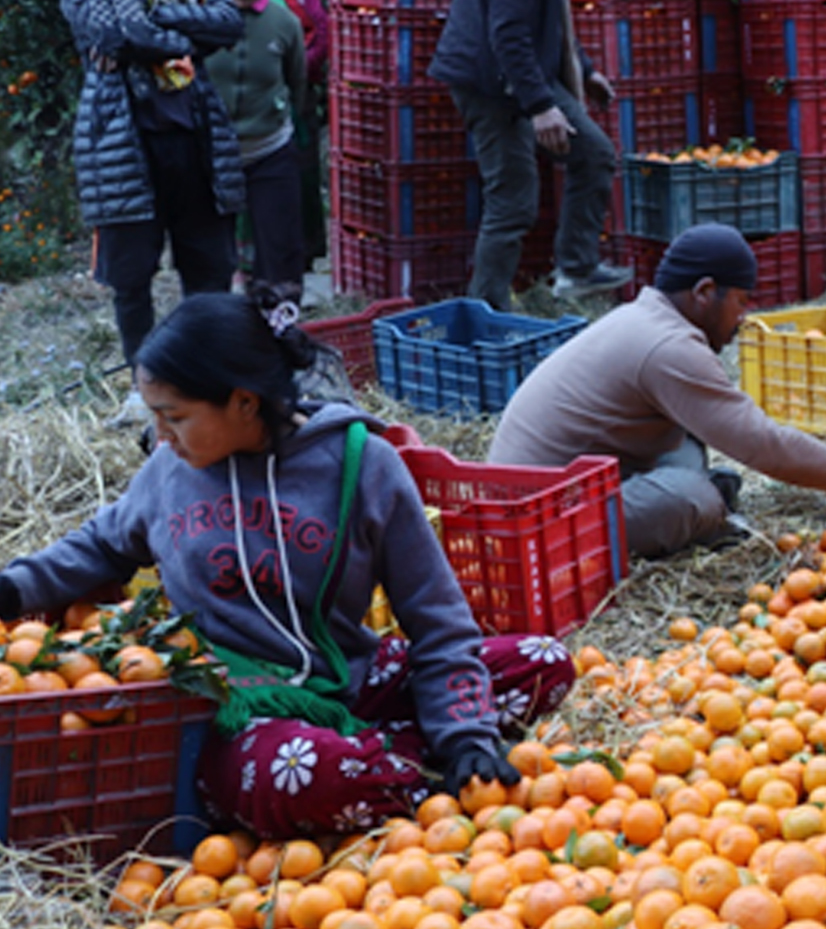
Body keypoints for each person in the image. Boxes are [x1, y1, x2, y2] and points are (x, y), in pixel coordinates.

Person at [0, 293, 576, 838]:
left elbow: (436, 615)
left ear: (244, 401)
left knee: (543, 660)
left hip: (350, 675)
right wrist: (13, 589)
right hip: (232, 708)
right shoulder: (168, 473)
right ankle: (388, 768)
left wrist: (465, 736)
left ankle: (384, 752)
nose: (160, 436)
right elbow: (98, 547)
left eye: (173, 416)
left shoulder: (362, 465)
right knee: (304, 775)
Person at [488, 225, 826, 558]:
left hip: (589, 474)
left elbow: (741, 426)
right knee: (693, 498)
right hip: (543, 515)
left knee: (693, 434)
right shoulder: (667, 347)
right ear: (704, 292)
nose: (744, 318)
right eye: (741, 302)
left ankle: (696, 495)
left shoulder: (649, 318)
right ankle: (702, 500)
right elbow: (761, 445)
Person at [59, 0, 246, 423]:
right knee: (131, 277)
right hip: (123, 146)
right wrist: (185, 36)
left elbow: (228, 24)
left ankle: (206, 374)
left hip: (195, 139)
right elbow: (108, 34)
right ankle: (147, 392)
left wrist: (154, 22)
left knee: (210, 268)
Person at [428, 0, 631, 310]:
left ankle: (576, 267)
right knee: (515, 198)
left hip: (524, 67)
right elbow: (507, 27)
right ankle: (487, 310)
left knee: (595, 154)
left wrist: (582, 68)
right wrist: (540, 105)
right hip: (488, 76)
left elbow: (551, 14)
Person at [204, 0, 309, 305]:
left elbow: (296, 81)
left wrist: (279, 118)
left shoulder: (283, 23)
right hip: (212, 154)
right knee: (210, 250)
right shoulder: (197, 16)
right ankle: (217, 325)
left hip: (269, 149)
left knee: (279, 246)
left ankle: (279, 325)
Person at [236, 0, 330, 275]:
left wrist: (300, 65)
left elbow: (322, 35)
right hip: (254, 115)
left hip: (298, 102)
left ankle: (298, 258)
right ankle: (250, 263)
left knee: (297, 183)